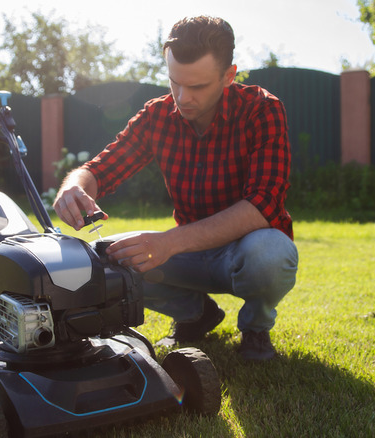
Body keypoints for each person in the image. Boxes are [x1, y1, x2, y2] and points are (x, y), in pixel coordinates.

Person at [53, 16, 298, 362]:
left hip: (247, 249)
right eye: (175, 82)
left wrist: (168, 242)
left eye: (198, 87)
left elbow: (262, 205)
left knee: (270, 254)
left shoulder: (262, 109)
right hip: (188, 253)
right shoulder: (157, 116)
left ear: (229, 76)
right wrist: (74, 186)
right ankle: (196, 315)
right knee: (101, 258)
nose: (183, 98)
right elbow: (99, 170)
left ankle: (256, 329)